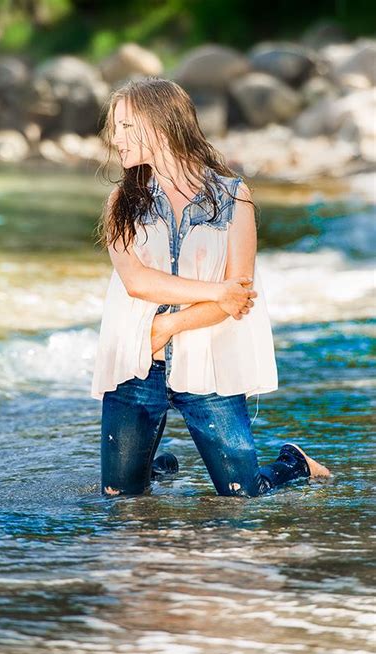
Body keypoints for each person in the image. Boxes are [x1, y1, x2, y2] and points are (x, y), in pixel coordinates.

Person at [91, 77, 331, 498]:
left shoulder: (233, 197)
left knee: (243, 493)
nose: (116, 139)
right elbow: (137, 281)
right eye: (116, 127)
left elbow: (236, 298)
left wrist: (169, 326)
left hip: (208, 362)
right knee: (120, 498)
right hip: (134, 362)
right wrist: (215, 290)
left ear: (162, 125)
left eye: (127, 127)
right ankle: (154, 465)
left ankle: (293, 463)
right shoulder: (121, 200)